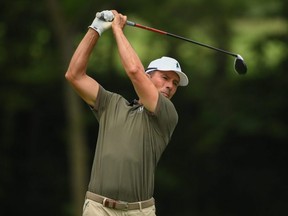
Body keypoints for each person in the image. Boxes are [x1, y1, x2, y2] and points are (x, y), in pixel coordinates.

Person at [65, 9, 189, 216]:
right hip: (98, 208)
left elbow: (134, 71)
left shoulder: (167, 113)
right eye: (165, 78)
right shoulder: (112, 104)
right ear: (149, 77)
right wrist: (96, 27)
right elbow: (74, 75)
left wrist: (117, 30)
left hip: (139, 211)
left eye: (175, 83)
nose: (170, 86)